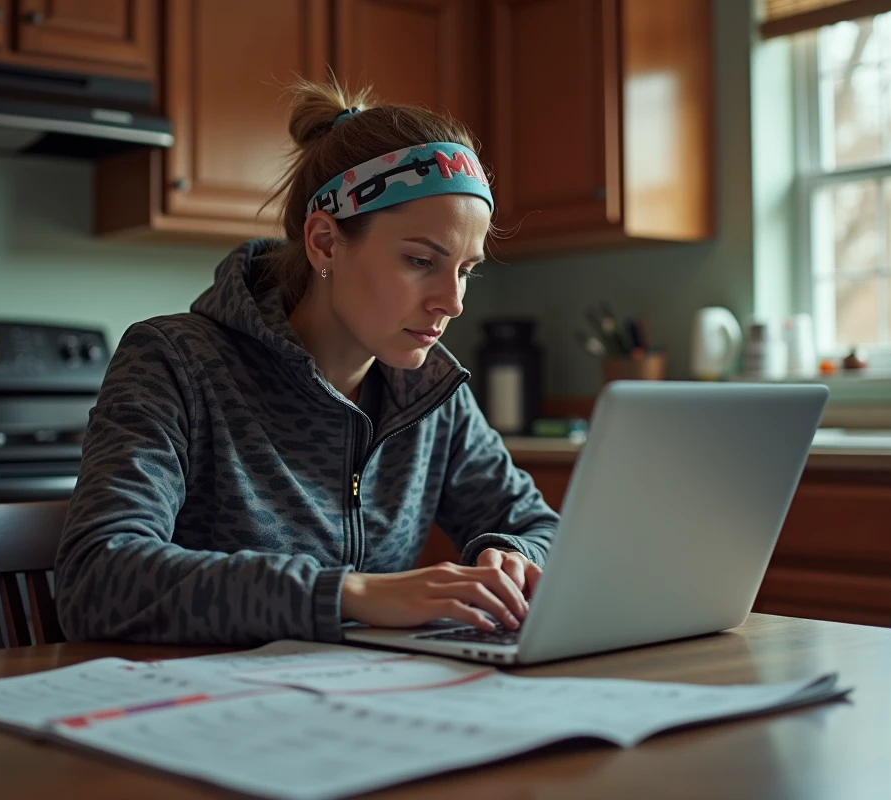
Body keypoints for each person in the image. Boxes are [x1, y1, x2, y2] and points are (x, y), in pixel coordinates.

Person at [54, 80, 559, 646]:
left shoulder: (431, 393)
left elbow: (542, 528)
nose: (454, 301)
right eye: (421, 260)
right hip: (196, 711)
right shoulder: (174, 363)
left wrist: (514, 556)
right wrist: (352, 594)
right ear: (324, 242)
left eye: (466, 269)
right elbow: (97, 578)